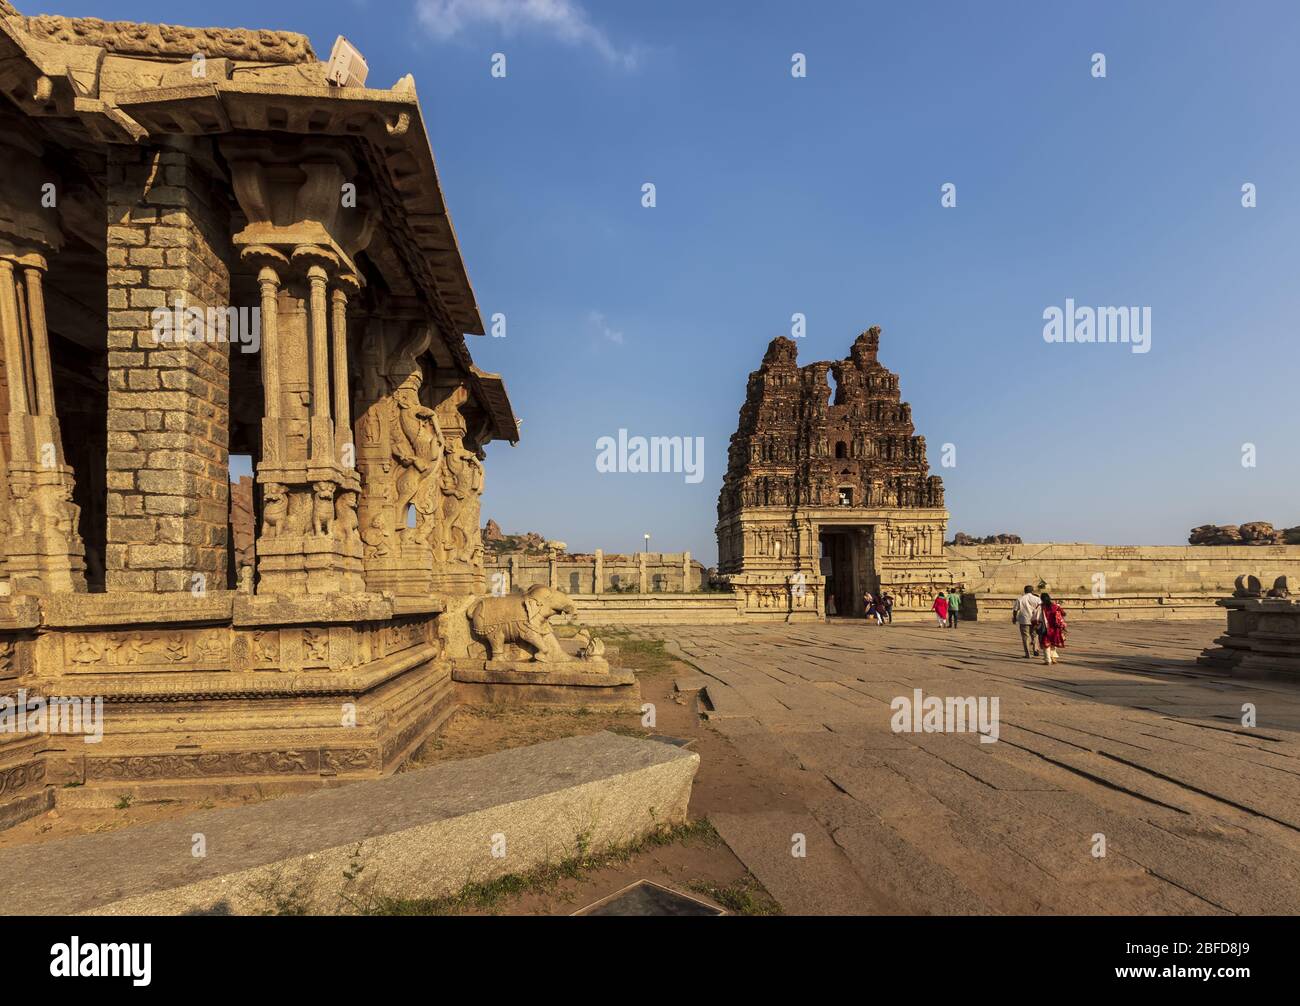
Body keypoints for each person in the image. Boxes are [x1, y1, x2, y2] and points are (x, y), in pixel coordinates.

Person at [1033, 592, 1067, 664]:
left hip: (1045, 629)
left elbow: (1035, 618)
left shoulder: (1040, 607)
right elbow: (1064, 613)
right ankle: (1053, 658)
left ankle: (1048, 660)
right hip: (1055, 628)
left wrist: (1035, 624)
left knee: (1046, 644)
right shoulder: (1056, 606)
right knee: (1053, 643)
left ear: (1041, 599)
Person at [1012, 585, 1041, 658]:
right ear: (1032, 591)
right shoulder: (1037, 599)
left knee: (1025, 637)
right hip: (1035, 619)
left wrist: (1014, 618)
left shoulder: (1020, 599)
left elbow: (1015, 610)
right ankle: (1035, 649)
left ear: (1024, 591)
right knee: (1035, 635)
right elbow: (1040, 609)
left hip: (1024, 620)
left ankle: (1027, 654)